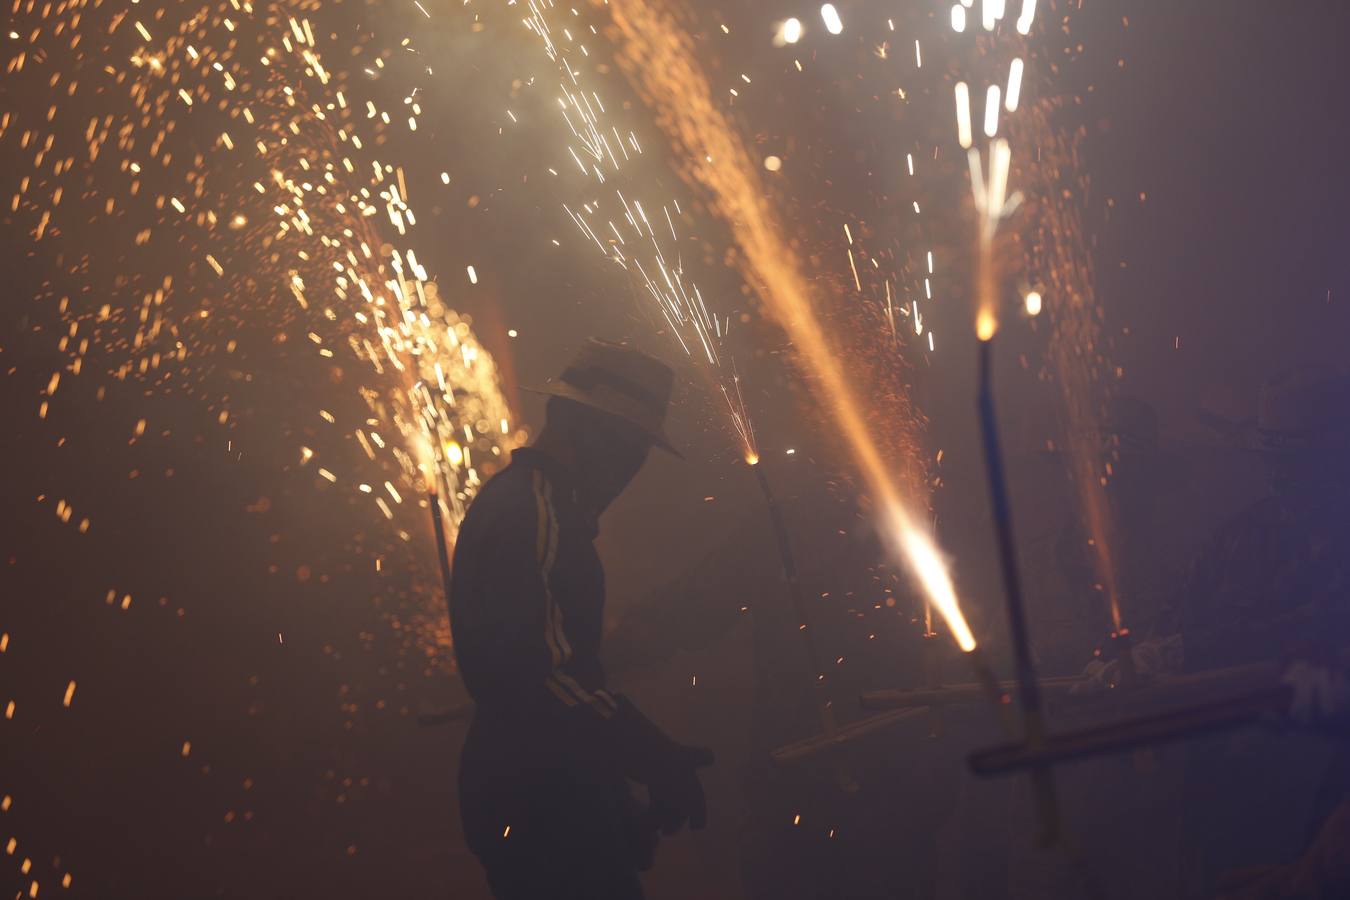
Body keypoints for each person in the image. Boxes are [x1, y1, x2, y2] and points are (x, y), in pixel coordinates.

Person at [449, 339, 714, 900]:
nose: (631, 468)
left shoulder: (528, 506)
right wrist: (651, 755)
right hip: (536, 798)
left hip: (540, 794)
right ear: (582, 427)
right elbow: (544, 678)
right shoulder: (534, 515)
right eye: (628, 445)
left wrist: (612, 808)